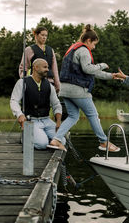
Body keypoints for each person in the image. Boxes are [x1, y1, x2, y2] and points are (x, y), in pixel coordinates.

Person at [48, 24, 120, 152]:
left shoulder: (72, 49)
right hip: (78, 90)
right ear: (88, 41)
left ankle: (56, 139)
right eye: (94, 44)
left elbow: (91, 71)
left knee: (73, 116)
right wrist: (102, 65)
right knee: (93, 115)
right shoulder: (84, 50)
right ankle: (103, 142)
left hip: (65, 89)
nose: (94, 47)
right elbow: (88, 68)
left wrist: (111, 76)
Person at [10, 58, 65, 150]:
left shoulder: (49, 85)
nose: (47, 69)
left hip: (47, 120)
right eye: (45, 67)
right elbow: (14, 101)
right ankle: (27, 137)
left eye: (48, 67)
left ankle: (40, 136)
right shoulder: (22, 82)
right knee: (42, 144)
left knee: (62, 141)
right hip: (31, 121)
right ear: (35, 67)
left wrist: (58, 122)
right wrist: (19, 114)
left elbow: (56, 104)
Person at [19, 26, 61, 93]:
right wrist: (24, 81)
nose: (44, 37)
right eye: (42, 35)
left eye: (46, 35)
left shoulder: (50, 50)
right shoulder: (29, 50)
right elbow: (23, 67)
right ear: (36, 35)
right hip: (34, 82)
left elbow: (54, 69)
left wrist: (57, 84)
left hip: (49, 83)